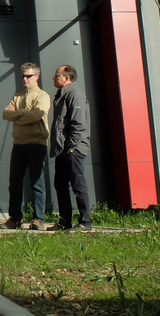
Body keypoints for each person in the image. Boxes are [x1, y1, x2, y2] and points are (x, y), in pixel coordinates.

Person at [0, 63, 51, 231]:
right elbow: (5, 114)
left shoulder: (42, 96)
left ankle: (38, 219)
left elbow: (37, 114)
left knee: (37, 182)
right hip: (18, 144)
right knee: (14, 182)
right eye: (22, 76)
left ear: (36, 76)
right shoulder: (18, 97)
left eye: (28, 76)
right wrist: (22, 114)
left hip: (36, 143)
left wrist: (18, 115)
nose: (24, 79)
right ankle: (15, 219)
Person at [49, 65, 92, 231]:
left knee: (77, 184)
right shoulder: (63, 95)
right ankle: (64, 222)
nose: (54, 78)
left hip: (72, 149)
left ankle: (85, 223)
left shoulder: (75, 94)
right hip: (64, 149)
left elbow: (79, 123)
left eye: (57, 75)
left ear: (66, 78)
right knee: (60, 184)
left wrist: (71, 146)